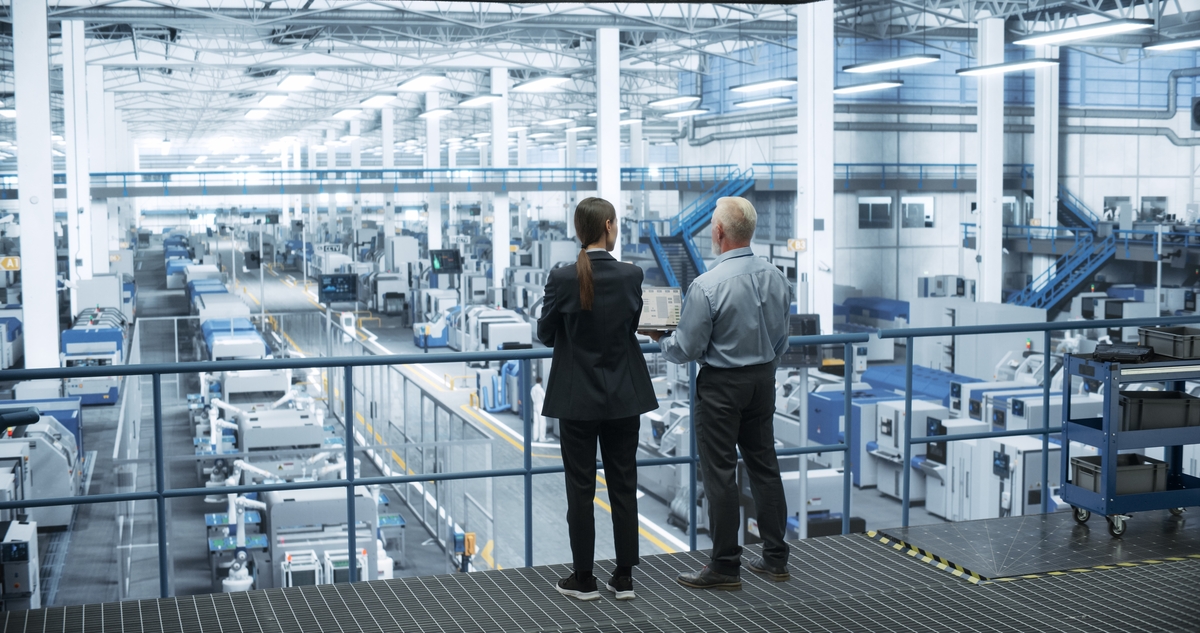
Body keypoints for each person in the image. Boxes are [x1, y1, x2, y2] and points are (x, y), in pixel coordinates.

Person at [641, 196, 794, 591]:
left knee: (721, 475)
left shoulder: (706, 286)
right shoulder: (777, 276)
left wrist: (661, 338)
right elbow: (782, 339)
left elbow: (686, 349)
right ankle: (776, 558)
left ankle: (726, 566)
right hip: (763, 382)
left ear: (720, 232)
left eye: (712, 224)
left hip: (722, 388)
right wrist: (764, 367)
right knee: (764, 467)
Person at [538, 196, 658, 602]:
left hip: (577, 400)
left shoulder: (563, 277)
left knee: (580, 489)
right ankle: (624, 577)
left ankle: (584, 578)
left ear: (580, 230)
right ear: (608, 226)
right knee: (624, 484)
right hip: (624, 397)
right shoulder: (631, 274)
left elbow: (544, 332)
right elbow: (637, 322)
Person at [530, 377, 548, 443]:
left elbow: (532, 397)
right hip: (540, 406)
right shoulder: (540, 389)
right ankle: (542, 438)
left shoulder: (533, 389)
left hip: (535, 405)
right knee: (542, 422)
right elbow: (545, 397)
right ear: (541, 381)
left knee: (536, 422)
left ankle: (535, 437)